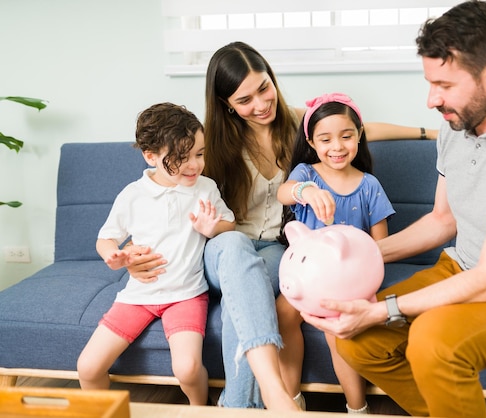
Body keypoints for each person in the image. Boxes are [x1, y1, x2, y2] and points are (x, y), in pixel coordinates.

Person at [301, 2, 486, 417]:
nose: (432, 99)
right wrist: (352, 256)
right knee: (356, 340)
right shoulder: (457, 127)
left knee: (433, 341)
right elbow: (441, 221)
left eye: (444, 84)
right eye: (430, 83)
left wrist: (381, 309)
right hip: (460, 266)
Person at [123, 41, 436, 411]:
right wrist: (133, 250)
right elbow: (162, 190)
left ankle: (240, 407)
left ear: (272, 78)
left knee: (250, 287)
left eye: (264, 88)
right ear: (226, 104)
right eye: (244, 100)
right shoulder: (209, 143)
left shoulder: (296, 123)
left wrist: (428, 133)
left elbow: (355, 128)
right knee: (237, 249)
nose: (260, 104)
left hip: (275, 252)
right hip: (220, 247)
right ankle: (272, 390)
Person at [76, 103, 236, 406]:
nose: (194, 165)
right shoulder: (133, 195)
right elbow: (105, 238)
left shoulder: (205, 188)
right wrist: (115, 255)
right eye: (180, 158)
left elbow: (230, 223)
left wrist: (212, 227)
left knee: (187, 369)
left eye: (199, 154)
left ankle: (200, 410)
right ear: (151, 156)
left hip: (186, 295)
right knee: (88, 366)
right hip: (138, 296)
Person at [276, 92, 396, 414]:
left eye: (346, 136)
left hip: (349, 283)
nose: (337, 147)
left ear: (359, 135)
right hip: (307, 278)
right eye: (325, 139)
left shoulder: (369, 185)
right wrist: (306, 191)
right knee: (281, 315)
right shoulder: (307, 174)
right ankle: (291, 401)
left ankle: (357, 408)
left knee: (337, 335)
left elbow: (380, 246)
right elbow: (284, 193)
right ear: (312, 142)